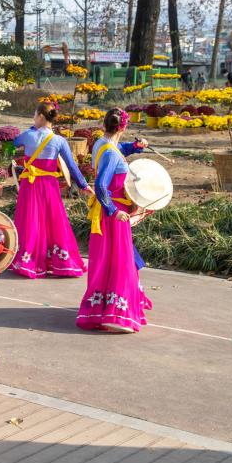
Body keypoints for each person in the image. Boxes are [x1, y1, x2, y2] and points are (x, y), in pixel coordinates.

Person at [77, 108, 153, 334]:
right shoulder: (110, 153)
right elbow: (101, 185)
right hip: (114, 214)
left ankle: (105, 306)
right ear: (124, 127)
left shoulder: (102, 144)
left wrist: (135, 147)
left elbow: (120, 149)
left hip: (106, 213)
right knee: (120, 260)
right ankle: (118, 312)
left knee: (107, 260)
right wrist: (113, 210)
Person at [11, 103, 94, 279]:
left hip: (30, 184)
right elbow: (72, 166)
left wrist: (33, 128)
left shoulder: (28, 135)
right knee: (53, 220)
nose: (33, 118)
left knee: (31, 219)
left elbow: (15, 142)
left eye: (35, 115)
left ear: (41, 116)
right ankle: (60, 261)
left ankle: (29, 260)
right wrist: (83, 185)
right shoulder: (59, 141)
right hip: (49, 185)